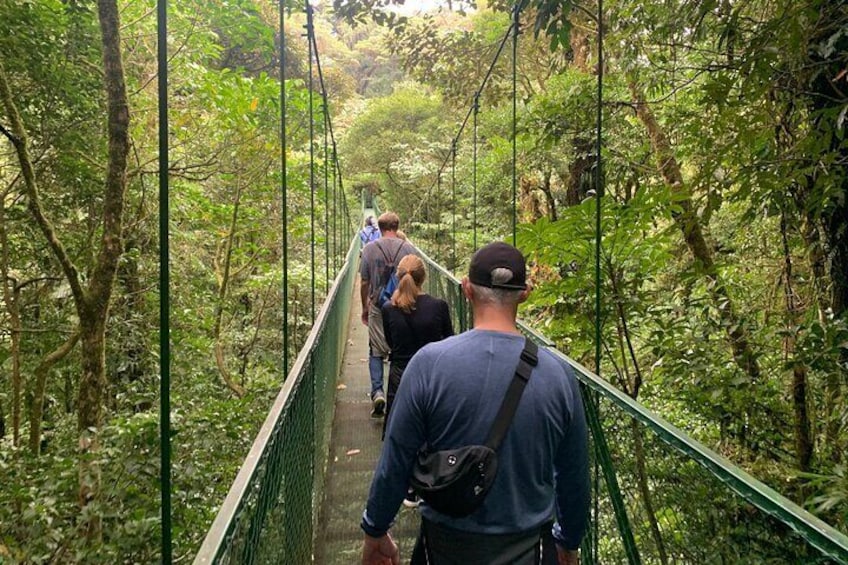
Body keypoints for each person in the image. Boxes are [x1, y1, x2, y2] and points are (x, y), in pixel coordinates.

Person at [360, 242, 590, 565]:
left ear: (466, 289)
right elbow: (573, 476)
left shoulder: (428, 365)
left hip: (442, 550)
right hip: (531, 552)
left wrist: (375, 529)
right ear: (525, 294)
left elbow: (395, 460)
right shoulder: (559, 376)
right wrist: (568, 541)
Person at [381, 255, 453, 506]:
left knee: (402, 430)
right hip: (434, 374)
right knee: (434, 426)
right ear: (424, 277)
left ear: (398, 277)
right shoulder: (439, 306)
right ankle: (433, 483)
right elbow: (449, 341)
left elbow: (390, 342)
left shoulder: (388, 308)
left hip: (401, 374)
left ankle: (407, 489)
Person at [360, 212, 417, 418]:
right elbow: (417, 279)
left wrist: (365, 307)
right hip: (404, 304)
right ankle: (402, 392)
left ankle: (377, 392)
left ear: (381, 228)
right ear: (396, 226)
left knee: (376, 349)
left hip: (377, 305)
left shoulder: (369, 249)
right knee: (402, 348)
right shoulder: (409, 248)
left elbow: (365, 282)